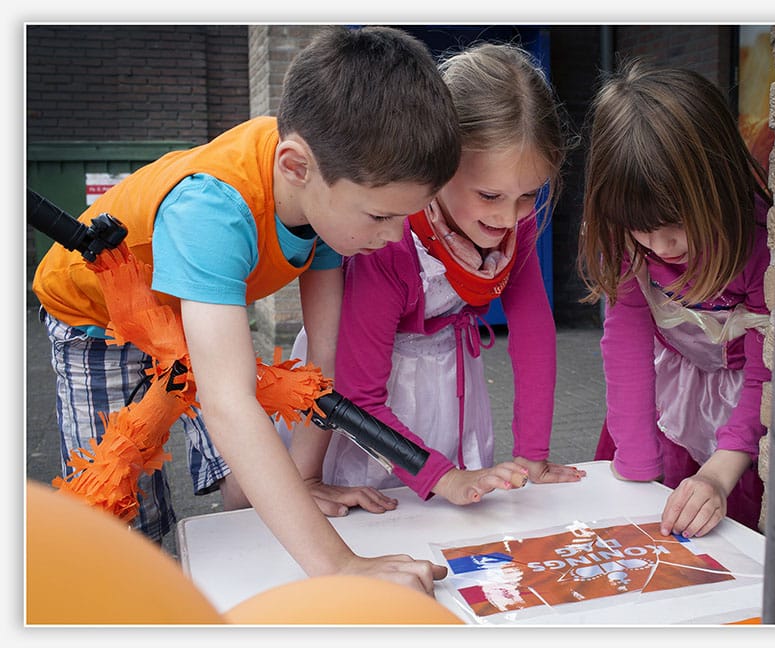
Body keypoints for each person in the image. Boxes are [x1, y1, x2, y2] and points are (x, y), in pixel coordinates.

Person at [32, 25, 461, 595]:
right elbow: (229, 402)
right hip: (96, 320)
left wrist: (304, 478)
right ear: (295, 166)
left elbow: (321, 364)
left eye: (404, 216)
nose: (393, 237)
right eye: (381, 216)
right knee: (125, 508)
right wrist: (338, 566)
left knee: (245, 472)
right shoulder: (214, 209)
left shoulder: (330, 189)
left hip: (186, 311)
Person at [281, 42, 585, 506]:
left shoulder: (514, 222)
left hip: (450, 388)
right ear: (439, 165)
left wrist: (531, 455)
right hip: (371, 410)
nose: (509, 217)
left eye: (529, 195)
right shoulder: (388, 242)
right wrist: (441, 476)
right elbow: (359, 391)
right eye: (489, 196)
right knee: (384, 511)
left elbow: (534, 333)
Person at [577, 59, 773, 538]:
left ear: (717, 186)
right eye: (643, 230)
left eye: (676, 227)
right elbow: (625, 346)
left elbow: (766, 373)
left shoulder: (758, 246)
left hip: (743, 413)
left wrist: (718, 475)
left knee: (721, 539)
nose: (661, 248)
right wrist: (638, 463)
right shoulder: (625, 242)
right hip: (665, 401)